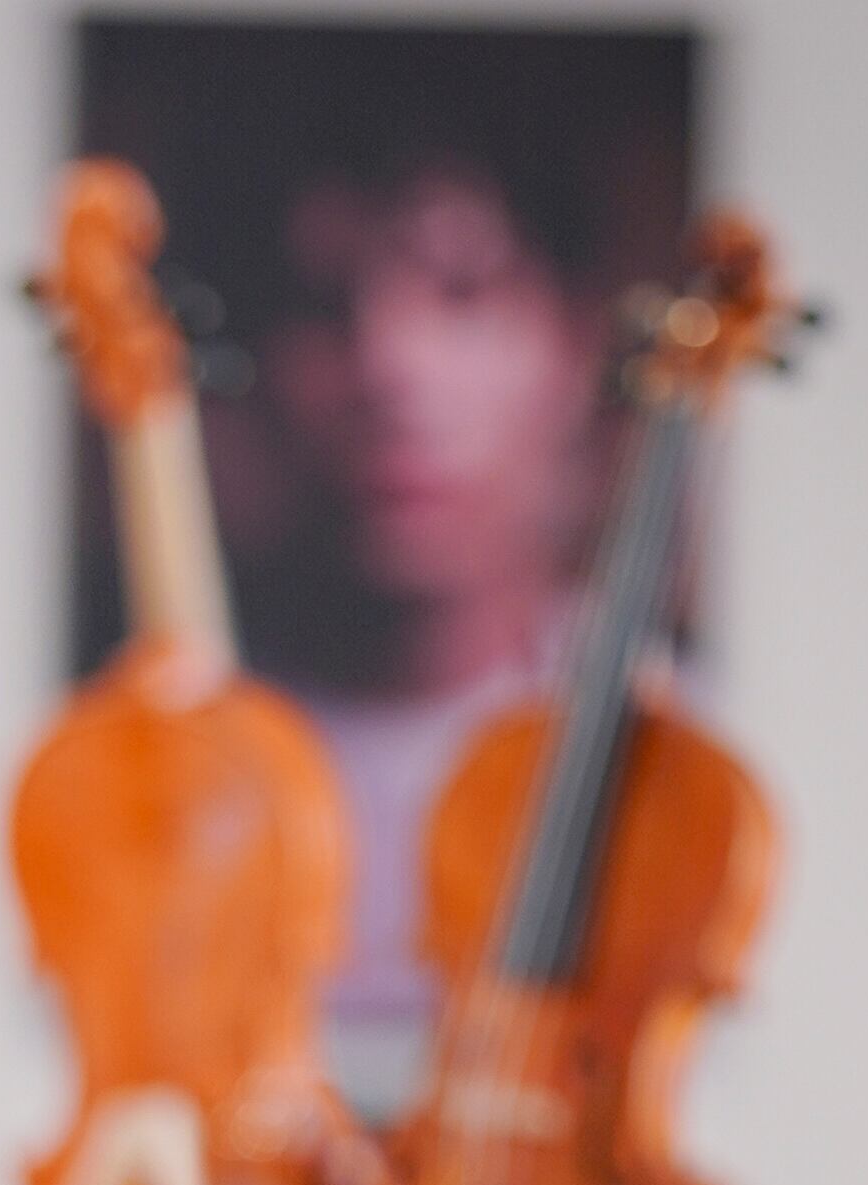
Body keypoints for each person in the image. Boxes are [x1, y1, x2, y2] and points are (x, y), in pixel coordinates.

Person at [228, 140, 629, 1079]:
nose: (390, 372)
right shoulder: (175, 764)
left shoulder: (675, 753)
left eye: (461, 296)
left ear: (573, 347)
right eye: (325, 308)